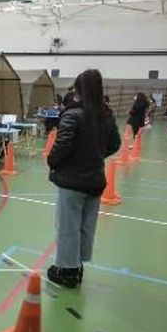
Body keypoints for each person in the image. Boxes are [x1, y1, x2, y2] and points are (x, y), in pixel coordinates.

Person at [46, 69, 121, 288]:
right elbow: (115, 144)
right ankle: (77, 267)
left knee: (68, 227)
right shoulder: (106, 114)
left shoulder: (72, 114)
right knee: (86, 227)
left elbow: (62, 146)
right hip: (95, 180)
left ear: (78, 90)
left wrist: (52, 160)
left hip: (72, 181)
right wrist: (96, 156)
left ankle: (67, 271)